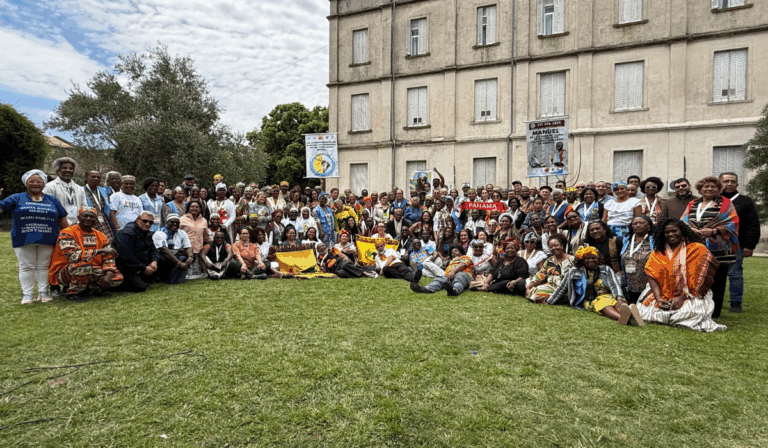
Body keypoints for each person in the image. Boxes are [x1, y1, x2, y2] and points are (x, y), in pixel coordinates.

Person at [637, 219, 726, 332]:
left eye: (674, 231)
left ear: (682, 232)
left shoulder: (697, 249)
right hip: (662, 293)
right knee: (644, 313)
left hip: (691, 294)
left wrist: (682, 298)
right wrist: (659, 299)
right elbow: (651, 276)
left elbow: (701, 279)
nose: (670, 234)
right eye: (667, 232)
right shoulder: (657, 252)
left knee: (688, 314)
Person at [0, 170, 69, 303]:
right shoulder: (16, 198)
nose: (35, 184)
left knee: (44, 266)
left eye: (39, 181)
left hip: (48, 238)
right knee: (26, 267)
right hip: (23, 238)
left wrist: (68, 235)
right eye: (31, 181)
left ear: (44, 183)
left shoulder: (52, 200)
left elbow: (62, 219)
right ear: (26, 183)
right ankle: (27, 295)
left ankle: (43, 293)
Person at [681, 176, 739, 319]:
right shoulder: (693, 203)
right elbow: (683, 220)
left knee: (716, 279)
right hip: (695, 245)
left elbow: (733, 222)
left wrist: (713, 231)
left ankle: (714, 312)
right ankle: (697, 307)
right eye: (706, 186)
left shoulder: (726, 203)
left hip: (718, 248)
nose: (709, 189)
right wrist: (691, 230)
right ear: (700, 189)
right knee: (694, 276)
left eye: (713, 186)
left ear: (719, 189)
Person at [545, 247, 641, 325]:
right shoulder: (574, 272)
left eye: (593, 258)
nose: (591, 260)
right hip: (590, 301)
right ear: (582, 260)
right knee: (604, 303)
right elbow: (561, 288)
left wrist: (619, 298)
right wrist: (549, 301)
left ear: (598, 259)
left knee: (617, 303)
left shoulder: (606, 269)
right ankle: (625, 319)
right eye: (587, 258)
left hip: (609, 296)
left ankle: (627, 314)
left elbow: (614, 285)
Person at [48, 207, 124, 300]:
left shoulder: (101, 236)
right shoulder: (67, 232)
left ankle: (91, 288)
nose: (88, 218)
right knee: (82, 267)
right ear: (78, 217)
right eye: (85, 216)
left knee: (117, 277)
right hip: (65, 271)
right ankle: (72, 293)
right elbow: (72, 256)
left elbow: (108, 258)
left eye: (92, 217)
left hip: (92, 268)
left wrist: (108, 274)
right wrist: (100, 251)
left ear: (96, 219)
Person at [719, 172, 760, 313]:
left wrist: (749, 245)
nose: (729, 184)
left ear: (737, 184)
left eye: (732, 181)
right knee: (713, 274)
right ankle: (714, 300)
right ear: (720, 183)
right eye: (726, 181)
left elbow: (752, 225)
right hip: (714, 244)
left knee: (735, 274)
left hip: (735, 244)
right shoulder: (713, 200)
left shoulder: (745, 201)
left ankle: (736, 302)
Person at [114, 212, 159, 292]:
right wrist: (144, 268)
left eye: (150, 222)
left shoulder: (147, 233)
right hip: (126, 267)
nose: (147, 224)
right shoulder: (126, 233)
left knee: (163, 259)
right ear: (137, 219)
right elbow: (126, 257)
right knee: (140, 287)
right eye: (144, 221)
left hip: (140, 263)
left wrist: (154, 261)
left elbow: (153, 249)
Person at [525, 234, 575, 303]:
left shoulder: (572, 260)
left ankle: (553, 298)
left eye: (556, 245)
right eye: (551, 247)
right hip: (549, 286)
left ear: (562, 245)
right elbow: (541, 274)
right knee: (530, 284)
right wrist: (530, 285)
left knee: (537, 294)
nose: (554, 248)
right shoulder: (549, 260)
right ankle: (551, 298)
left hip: (564, 288)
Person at [43, 157, 88, 226]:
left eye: (71, 168)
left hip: (78, 225)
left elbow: (84, 207)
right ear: (58, 170)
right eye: (64, 168)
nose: (68, 170)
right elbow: (50, 208)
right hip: (58, 225)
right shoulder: (49, 187)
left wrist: (79, 223)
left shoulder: (79, 188)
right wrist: (68, 224)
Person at [621, 216, 654, 304]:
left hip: (648, 282)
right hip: (630, 281)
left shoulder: (654, 240)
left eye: (641, 223)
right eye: (635, 224)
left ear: (649, 226)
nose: (638, 225)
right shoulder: (627, 240)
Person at [152, 213, 193, 284]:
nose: (175, 224)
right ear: (167, 222)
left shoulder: (182, 232)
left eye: (177, 223)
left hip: (175, 254)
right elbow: (164, 250)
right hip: (165, 256)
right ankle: (164, 277)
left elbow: (188, 246)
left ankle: (175, 277)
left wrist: (190, 257)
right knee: (163, 258)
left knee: (189, 255)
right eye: (172, 222)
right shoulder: (160, 233)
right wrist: (179, 263)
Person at [179, 201, 211, 280]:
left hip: (198, 248)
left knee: (196, 273)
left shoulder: (203, 220)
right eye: (192, 206)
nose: (194, 208)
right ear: (188, 208)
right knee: (186, 271)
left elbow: (206, 235)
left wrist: (211, 243)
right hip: (185, 248)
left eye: (197, 207)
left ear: (200, 209)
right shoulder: (182, 219)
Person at [82, 170, 115, 241]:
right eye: (93, 177)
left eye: (98, 177)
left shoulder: (103, 190)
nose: (96, 179)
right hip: (89, 221)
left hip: (104, 220)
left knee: (108, 241)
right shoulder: (81, 191)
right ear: (87, 178)